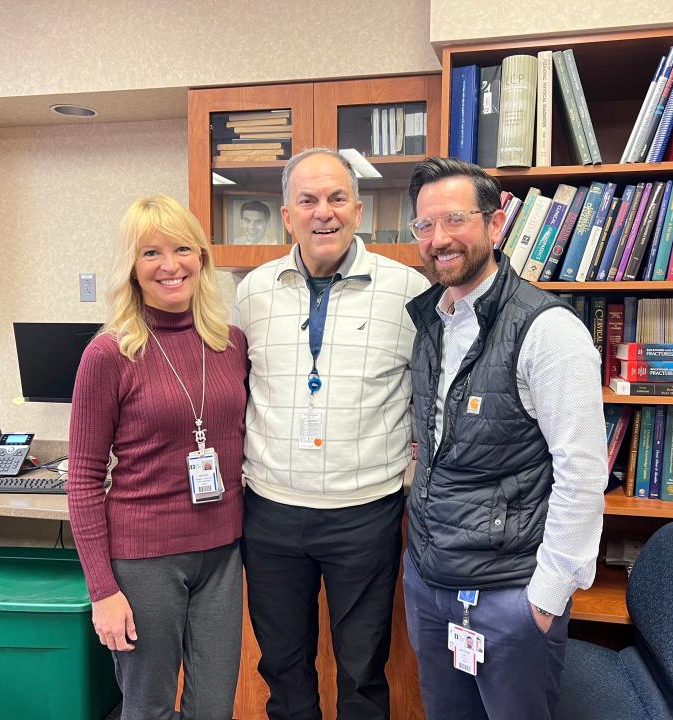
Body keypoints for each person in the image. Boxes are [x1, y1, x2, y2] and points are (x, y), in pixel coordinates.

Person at [401, 157, 608, 720]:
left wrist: (544, 599)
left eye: (455, 220)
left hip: (508, 595)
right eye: (424, 225)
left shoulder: (547, 330)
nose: (438, 239)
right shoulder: (430, 321)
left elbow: (583, 474)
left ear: (496, 226)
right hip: (430, 583)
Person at [234, 147, 429, 720]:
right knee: (284, 668)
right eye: (309, 200)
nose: (325, 213)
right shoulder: (253, 292)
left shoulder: (408, 291)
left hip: (365, 511)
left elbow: (428, 399)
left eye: (338, 198)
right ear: (287, 214)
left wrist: (411, 479)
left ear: (359, 209)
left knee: (363, 669)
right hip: (270, 513)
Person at [68, 195, 248, 720]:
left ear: (202, 259)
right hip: (143, 559)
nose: (170, 265)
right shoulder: (110, 354)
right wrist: (103, 591)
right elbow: (81, 479)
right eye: (151, 253)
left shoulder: (231, 343)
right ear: (132, 269)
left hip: (222, 553)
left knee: (214, 706)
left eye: (182, 249)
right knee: (146, 706)